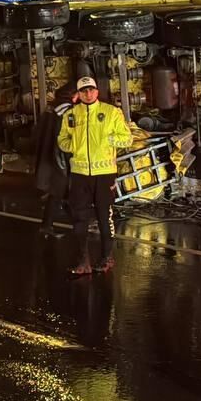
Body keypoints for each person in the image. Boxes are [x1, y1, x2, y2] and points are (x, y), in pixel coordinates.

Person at [58, 76, 132, 276]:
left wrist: (107, 140)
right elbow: (62, 140)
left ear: (97, 91)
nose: (88, 94)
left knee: (104, 216)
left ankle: (106, 257)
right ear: (79, 94)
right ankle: (83, 261)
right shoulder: (71, 115)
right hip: (80, 174)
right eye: (84, 91)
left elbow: (127, 139)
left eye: (91, 90)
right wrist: (73, 146)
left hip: (104, 174)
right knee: (79, 218)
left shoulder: (111, 112)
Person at [34, 84, 76, 237]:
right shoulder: (67, 111)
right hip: (59, 157)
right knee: (62, 191)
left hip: (49, 153)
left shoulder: (51, 108)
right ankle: (51, 225)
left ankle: (50, 225)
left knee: (58, 192)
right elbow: (65, 136)